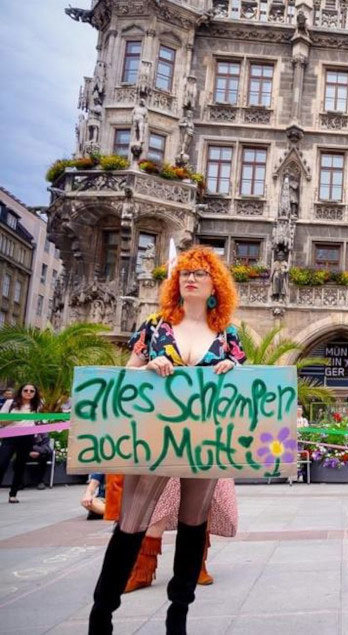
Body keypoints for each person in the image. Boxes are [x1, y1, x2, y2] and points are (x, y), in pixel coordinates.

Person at [88, 245, 246, 634]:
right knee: (132, 522)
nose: (189, 278)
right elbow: (126, 376)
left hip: (205, 439)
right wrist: (149, 368)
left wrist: (232, 369)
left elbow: (245, 389)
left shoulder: (227, 335)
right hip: (155, 437)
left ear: (215, 285)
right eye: (184, 273)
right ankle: (102, 613)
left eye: (199, 273)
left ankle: (179, 615)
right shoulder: (156, 325)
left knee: (194, 524)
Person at [0, 384, 41, 503]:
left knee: (20, 465)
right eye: (26, 390)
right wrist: (14, 419)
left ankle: (13, 494)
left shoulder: (36, 406)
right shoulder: (10, 403)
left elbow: (36, 421)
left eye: (32, 391)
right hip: (10, 436)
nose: (28, 392)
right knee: (2, 463)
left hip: (27, 438)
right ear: (21, 391)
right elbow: (1, 421)